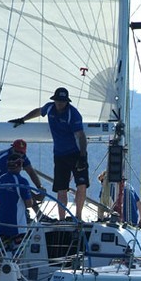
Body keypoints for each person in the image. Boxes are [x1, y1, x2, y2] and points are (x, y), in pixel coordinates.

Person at [9, 87, 89, 221]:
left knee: (81, 185)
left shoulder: (73, 114)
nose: (60, 104)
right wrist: (23, 119)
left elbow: (81, 136)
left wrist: (82, 156)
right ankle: (62, 220)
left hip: (75, 154)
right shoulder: (50, 108)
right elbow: (39, 111)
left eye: (62, 101)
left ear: (67, 102)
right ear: (54, 100)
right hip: (60, 155)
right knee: (61, 189)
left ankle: (79, 217)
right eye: (58, 101)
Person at [0, 139, 44, 222]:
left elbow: (30, 171)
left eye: (21, 153)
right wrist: (36, 196)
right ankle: (33, 216)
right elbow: (14, 184)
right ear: (12, 148)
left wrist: (39, 187)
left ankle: (39, 216)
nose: (19, 154)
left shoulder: (21, 157)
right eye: (17, 151)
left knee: (21, 189)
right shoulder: (6, 160)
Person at [0, 154, 34, 243]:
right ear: (20, 165)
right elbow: (29, 204)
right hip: (17, 228)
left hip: (2, 226)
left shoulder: (1, 179)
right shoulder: (22, 181)